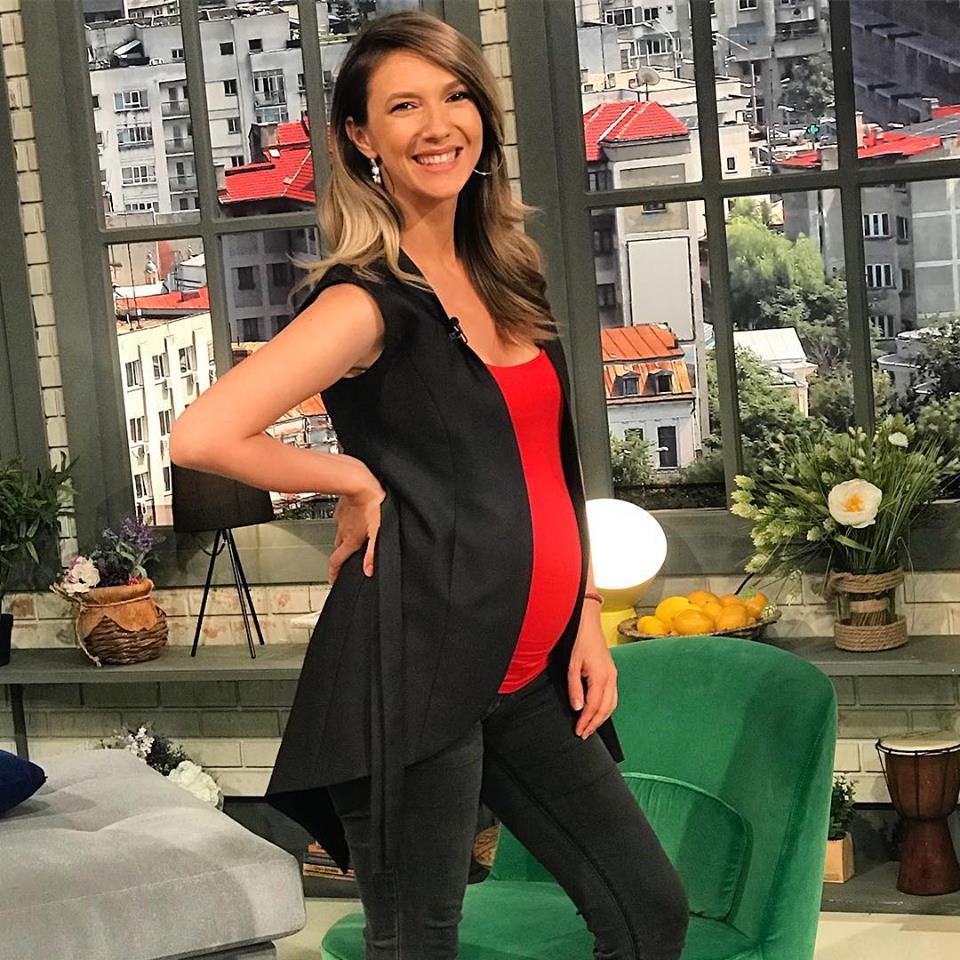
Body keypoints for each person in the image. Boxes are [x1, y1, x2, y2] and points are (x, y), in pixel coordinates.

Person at [170, 10, 689, 960]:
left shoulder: (506, 277)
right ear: (360, 138)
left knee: (648, 910)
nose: (438, 124)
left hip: (527, 670)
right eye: (403, 106)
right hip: (412, 667)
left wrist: (582, 612)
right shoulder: (364, 299)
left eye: (455, 97)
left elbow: (551, 467)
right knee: (418, 942)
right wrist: (348, 477)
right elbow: (202, 433)